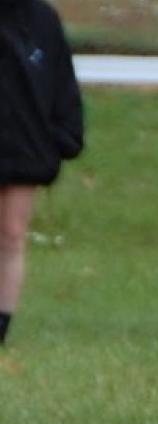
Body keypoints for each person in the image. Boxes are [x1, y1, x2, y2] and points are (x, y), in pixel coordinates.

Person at [0, 0, 84, 347]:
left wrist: (65, 135)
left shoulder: (40, 18)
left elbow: (60, 78)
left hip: (25, 142)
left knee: (12, 234)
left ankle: (1, 323)